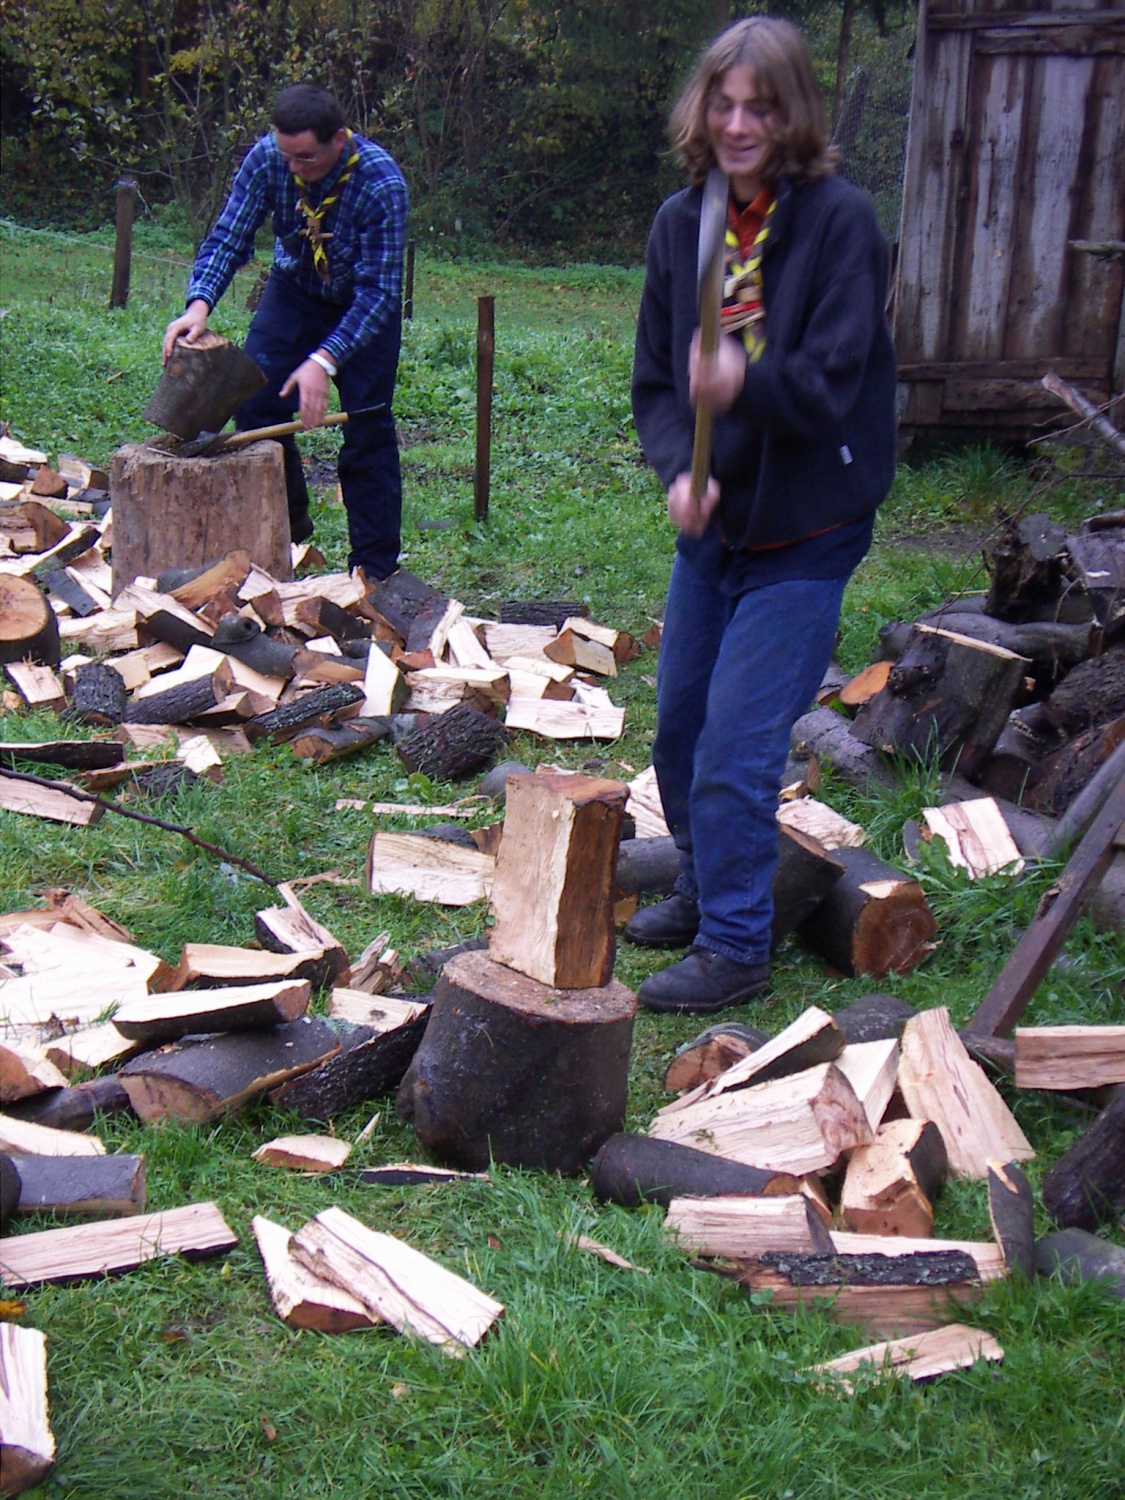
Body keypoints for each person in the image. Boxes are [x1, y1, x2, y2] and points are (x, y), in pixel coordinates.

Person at [625, 17, 897, 1014]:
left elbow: (829, 384)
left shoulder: (837, 224)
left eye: (762, 107)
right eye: (724, 104)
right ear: (702, 108)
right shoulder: (681, 226)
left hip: (809, 527)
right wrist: (673, 467)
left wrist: (743, 379)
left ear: (792, 115)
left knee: (737, 748)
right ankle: (702, 893)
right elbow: (660, 382)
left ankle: (738, 946)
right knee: (679, 731)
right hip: (716, 523)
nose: (739, 124)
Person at [163, 83, 407, 579]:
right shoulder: (268, 159)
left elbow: (380, 294)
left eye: (307, 158)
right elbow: (230, 234)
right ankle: (286, 535)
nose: (294, 167)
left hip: (361, 305)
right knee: (254, 403)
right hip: (295, 291)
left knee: (368, 427)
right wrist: (199, 303)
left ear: (339, 140)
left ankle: (375, 573)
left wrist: (324, 359)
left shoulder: (382, 185)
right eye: (287, 155)